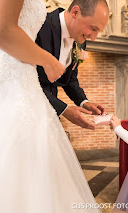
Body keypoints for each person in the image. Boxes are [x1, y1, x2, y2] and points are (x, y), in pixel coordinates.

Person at [0, 0, 106, 213]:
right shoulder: (47, 28)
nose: (94, 36)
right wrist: (47, 60)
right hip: (14, 94)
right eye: (94, 29)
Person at [36, 0, 108, 130]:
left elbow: (70, 80)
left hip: (49, 116)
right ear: (75, 12)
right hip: (27, 109)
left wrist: (84, 102)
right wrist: (64, 109)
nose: (93, 38)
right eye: (93, 28)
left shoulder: (80, 41)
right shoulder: (40, 26)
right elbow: (27, 79)